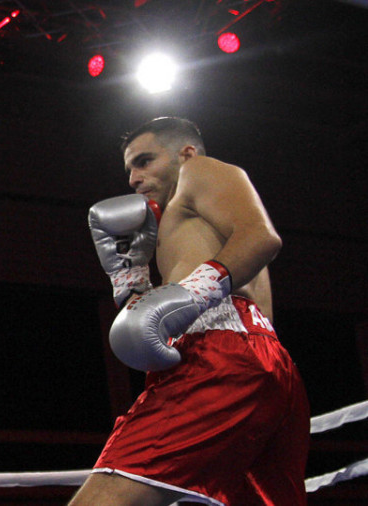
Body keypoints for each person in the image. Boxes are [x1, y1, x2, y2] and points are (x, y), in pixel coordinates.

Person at [75, 117, 309, 505]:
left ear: (185, 153)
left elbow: (261, 237)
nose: (133, 177)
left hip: (218, 359)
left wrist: (192, 292)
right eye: (129, 168)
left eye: (145, 161)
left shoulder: (197, 171)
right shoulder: (184, 223)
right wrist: (131, 281)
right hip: (261, 362)